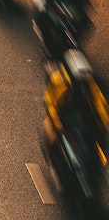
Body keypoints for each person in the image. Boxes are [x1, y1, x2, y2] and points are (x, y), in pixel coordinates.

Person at [43, 49, 109, 180]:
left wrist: (105, 123)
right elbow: (51, 104)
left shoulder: (90, 84)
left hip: (83, 118)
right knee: (50, 133)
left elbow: (100, 103)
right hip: (63, 117)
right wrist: (58, 126)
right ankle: (55, 164)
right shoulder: (59, 81)